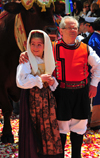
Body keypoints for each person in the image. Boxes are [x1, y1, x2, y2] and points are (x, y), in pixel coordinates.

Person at [19, 16, 100, 158]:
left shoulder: (85, 48)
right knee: (61, 129)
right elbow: (36, 52)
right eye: (69, 28)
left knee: (79, 127)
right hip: (61, 92)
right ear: (61, 31)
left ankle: (76, 156)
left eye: (75, 27)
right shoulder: (51, 48)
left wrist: (93, 84)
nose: (73, 30)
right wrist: (25, 54)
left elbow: (98, 66)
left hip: (81, 92)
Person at [16, 30, 63, 158]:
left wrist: (52, 81)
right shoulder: (27, 60)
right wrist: (39, 79)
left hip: (47, 100)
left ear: (45, 45)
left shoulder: (48, 59)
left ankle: (48, 153)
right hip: (33, 99)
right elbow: (20, 82)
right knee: (35, 127)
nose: (35, 48)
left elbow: (53, 80)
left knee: (48, 126)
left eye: (39, 44)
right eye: (33, 44)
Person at [88, 17, 100, 130]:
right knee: (96, 97)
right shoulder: (95, 39)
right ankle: (95, 122)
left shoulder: (95, 38)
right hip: (96, 72)